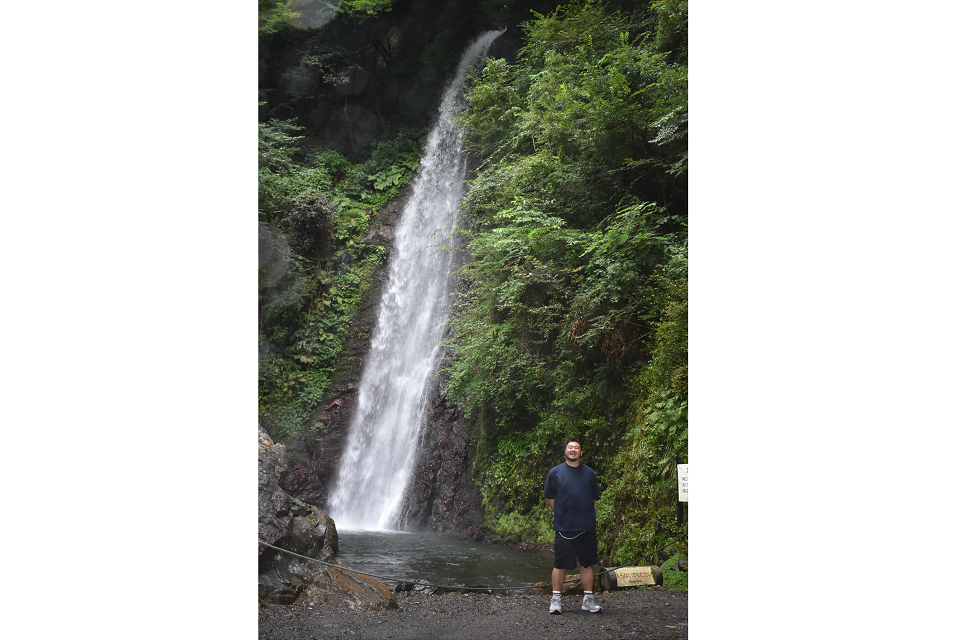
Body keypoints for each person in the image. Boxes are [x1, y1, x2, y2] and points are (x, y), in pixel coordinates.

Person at [543, 437, 602, 614]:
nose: (573, 450)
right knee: (560, 564)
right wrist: (562, 512)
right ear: (565, 451)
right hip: (564, 527)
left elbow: (593, 498)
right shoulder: (555, 472)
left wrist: (581, 511)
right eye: (570, 447)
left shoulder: (589, 473)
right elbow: (549, 496)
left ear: (581, 452)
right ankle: (555, 600)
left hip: (586, 526)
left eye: (576, 447)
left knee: (587, 563)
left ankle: (588, 600)